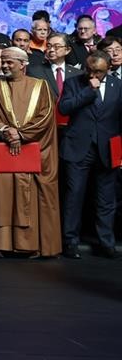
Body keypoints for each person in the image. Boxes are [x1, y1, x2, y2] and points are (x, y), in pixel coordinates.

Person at [0, 46, 61, 257]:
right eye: (3, 61)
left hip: (31, 149)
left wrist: (21, 135)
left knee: (30, 197)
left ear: (23, 64)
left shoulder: (40, 86)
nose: (5, 65)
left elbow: (46, 115)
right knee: (2, 196)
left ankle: (31, 245)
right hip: (1, 148)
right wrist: (6, 131)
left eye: (10, 62)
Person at [58, 51, 120, 259]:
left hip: (107, 149)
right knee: (74, 197)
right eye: (90, 70)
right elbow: (64, 108)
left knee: (106, 200)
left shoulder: (118, 85)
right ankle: (70, 242)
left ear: (109, 69)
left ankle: (107, 243)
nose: (93, 75)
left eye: (98, 72)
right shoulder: (73, 83)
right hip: (78, 148)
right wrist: (88, 90)